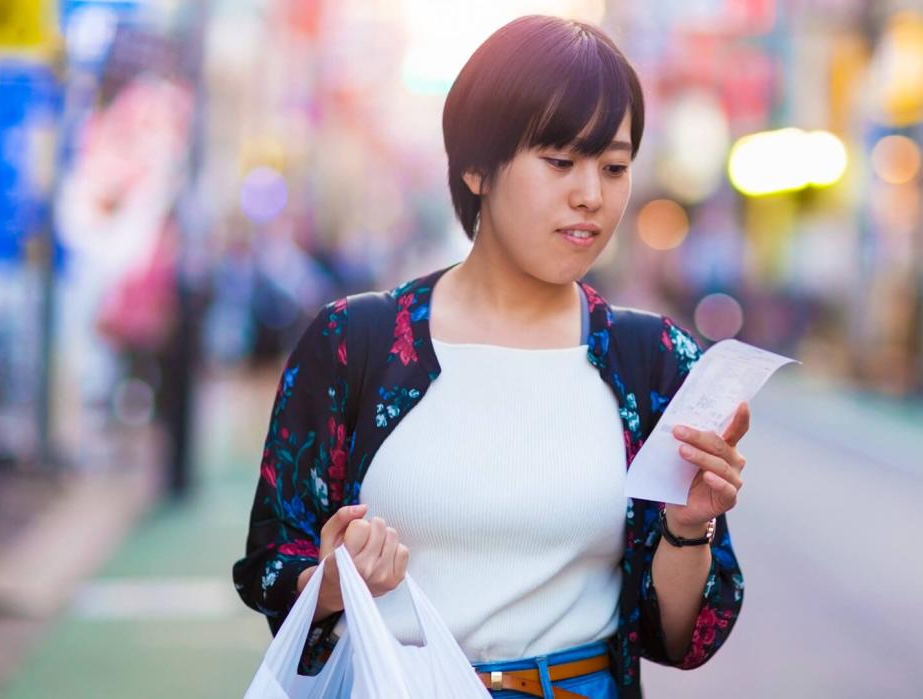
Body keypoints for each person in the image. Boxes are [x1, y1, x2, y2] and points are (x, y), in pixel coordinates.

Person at [234, 15, 749, 699]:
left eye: (615, 166)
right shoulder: (353, 343)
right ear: (477, 166)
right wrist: (328, 581)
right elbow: (273, 556)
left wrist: (689, 528)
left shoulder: (652, 360)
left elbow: (679, 637)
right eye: (560, 161)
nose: (591, 195)